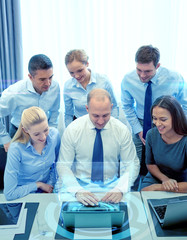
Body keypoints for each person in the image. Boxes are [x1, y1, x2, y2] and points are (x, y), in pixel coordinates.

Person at [56, 88, 139, 206]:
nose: (100, 121)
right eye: (95, 116)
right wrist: (77, 190)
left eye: (105, 115)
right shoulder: (73, 130)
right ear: (87, 109)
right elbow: (63, 165)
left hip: (112, 187)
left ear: (111, 107)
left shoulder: (121, 130)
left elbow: (132, 163)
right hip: (79, 185)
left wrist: (120, 188)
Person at [121, 45, 187, 184]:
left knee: (168, 158)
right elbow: (127, 106)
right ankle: (137, 191)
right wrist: (138, 130)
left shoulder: (174, 77)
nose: (142, 75)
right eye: (139, 70)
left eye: (148, 71)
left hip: (169, 123)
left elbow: (185, 104)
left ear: (158, 66)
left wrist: (177, 126)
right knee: (137, 162)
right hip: (140, 122)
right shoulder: (128, 80)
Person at [0, 54, 60, 189]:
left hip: (44, 130)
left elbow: (55, 112)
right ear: (30, 77)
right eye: (42, 79)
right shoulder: (14, 92)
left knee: (45, 168)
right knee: (21, 174)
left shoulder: (55, 87)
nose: (48, 83)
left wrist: (50, 134)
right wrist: (5, 139)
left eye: (50, 77)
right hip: (20, 133)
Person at [4, 106, 61, 201]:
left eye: (46, 130)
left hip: (47, 192)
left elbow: (57, 164)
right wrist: (38, 185)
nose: (43, 137)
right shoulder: (16, 149)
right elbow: (9, 194)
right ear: (25, 130)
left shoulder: (54, 135)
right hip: (23, 195)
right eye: (36, 134)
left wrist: (49, 185)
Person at [141, 96, 187, 193]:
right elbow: (150, 164)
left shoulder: (185, 140)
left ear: (176, 118)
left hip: (182, 183)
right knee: (143, 196)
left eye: (163, 119)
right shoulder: (151, 134)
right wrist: (165, 180)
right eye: (154, 118)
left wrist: (158, 187)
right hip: (156, 177)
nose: (157, 124)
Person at [63, 49, 119, 127]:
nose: (76, 76)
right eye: (71, 72)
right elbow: (68, 114)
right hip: (80, 125)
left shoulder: (103, 81)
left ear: (87, 64)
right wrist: (69, 132)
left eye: (80, 70)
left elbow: (114, 107)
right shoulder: (68, 86)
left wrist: (111, 127)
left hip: (103, 123)